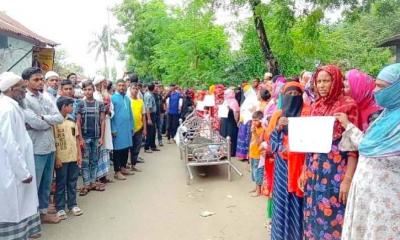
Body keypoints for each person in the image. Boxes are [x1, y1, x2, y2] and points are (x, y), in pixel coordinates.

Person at [338, 63, 400, 240]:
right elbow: (366, 145)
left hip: (388, 208)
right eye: (376, 84)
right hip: (365, 201)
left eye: (382, 86)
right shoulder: (385, 116)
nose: (375, 91)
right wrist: (349, 126)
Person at [300, 65, 359, 239]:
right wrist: (305, 170)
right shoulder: (315, 106)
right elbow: (308, 144)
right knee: (312, 218)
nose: (322, 85)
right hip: (314, 172)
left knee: (333, 219)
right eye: (318, 81)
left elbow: (353, 149)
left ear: (336, 81)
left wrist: (347, 180)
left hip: (335, 174)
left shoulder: (348, 106)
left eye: (326, 81)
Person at [0, 72, 41, 240]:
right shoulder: (7, 109)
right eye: (22, 88)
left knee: (21, 208)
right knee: (13, 211)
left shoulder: (13, 107)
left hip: (16, 169)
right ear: (11, 89)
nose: (25, 91)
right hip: (13, 172)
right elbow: (10, 144)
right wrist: (23, 173)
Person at [22, 67, 64, 224]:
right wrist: (46, 121)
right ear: (26, 82)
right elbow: (35, 123)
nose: (40, 82)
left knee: (46, 183)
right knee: (35, 184)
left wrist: (43, 118)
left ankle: (43, 212)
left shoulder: (45, 97)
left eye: (41, 79)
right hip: (36, 147)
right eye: (36, 80)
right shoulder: (24, 99)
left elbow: (59, 118)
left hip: (49, 145)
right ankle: (31, 218)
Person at [268, 82, 306, 240]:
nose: (292, 97)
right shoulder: (278, 115)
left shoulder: (307, 113)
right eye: (289, 94)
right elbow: (271, 141)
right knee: (282, 202)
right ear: (283, 96)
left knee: (297, 203)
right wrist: (278, 128)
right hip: (282, 167)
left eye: (296, 94)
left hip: (300, 167)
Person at [54, 97, 83, 220]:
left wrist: (79, 155)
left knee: (72, 182)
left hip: (73, 157)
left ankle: (72, 204)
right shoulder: (55, 122)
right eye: (71, 106)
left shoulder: (72, 121)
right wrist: (57, 158)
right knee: (61, 183)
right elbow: (54, 141)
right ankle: (60, 207)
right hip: (62, 158)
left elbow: (76, 138)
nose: (72, 108)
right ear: (64, 106)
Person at [77, 81, 106, 195]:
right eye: (85, 90)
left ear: (93, 90)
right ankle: (86, 183)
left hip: (96, 137)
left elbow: (102, 121)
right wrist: (80, 138)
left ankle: (93, 182)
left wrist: (102, 137)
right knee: (85, 162)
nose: (88, 92)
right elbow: (78, 122)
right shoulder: (80, 104)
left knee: (94, 160)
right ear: (83, 91)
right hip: (85, 137)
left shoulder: (100, 104)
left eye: (90, 89)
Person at [111, 80, 135, 180]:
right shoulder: (112, 98)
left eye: (123, 86)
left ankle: (123, 167)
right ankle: (117, 171)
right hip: (118, 128)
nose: (122, 87)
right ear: (116, 86)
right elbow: (111, 116)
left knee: (126, 148)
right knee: (117, 150)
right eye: (120, 85)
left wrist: (132, 126)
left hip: (127, 128)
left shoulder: (127, 99)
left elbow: (130, 113)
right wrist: (113, 128)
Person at [93, 76, 114, 184]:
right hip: (97, 126)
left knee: (105, 150)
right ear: (98, 84)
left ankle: (103, 175)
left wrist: (109, 112)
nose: (105, 85)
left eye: (105, 82)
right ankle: (97, 177)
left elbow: (111, 109)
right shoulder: (94, 95)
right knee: (98, 151)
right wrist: (102, 111)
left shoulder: (107, 95)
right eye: (103, 83)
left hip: (106, 124)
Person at [129, 83, 146, 172]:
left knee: (137, 147)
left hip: (139, 128)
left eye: (136, 89)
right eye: (133, 88)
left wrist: (145, 129)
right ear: (130, 89)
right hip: (129, 128)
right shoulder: (128, 101)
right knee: (129, 147)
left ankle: (133, 164)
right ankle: (126, 164)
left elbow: (143, 115)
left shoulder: (140, 101)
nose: (135, 90)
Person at [248, 110, 265, 197]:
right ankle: (256, 187)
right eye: (253, 120)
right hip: (253, 153)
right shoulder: (254, 128)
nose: (254, 122)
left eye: (256, 120)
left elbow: (260, 142)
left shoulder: (262, 129)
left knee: (258, 172)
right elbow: (252, 141)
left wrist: (254, 132)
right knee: (253, 172)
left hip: (259, 154)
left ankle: (258, 191)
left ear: (261, 120)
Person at [219, 89, 239, 157]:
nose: (225, 95)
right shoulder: (225, 101)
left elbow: (236, 114)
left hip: (230, 123)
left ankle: (231, 152)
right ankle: (224, 152)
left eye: (226, 94)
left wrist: (236, 122)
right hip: (225, 122)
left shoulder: (234, 102)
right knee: (224, 135)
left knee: (230, 136)